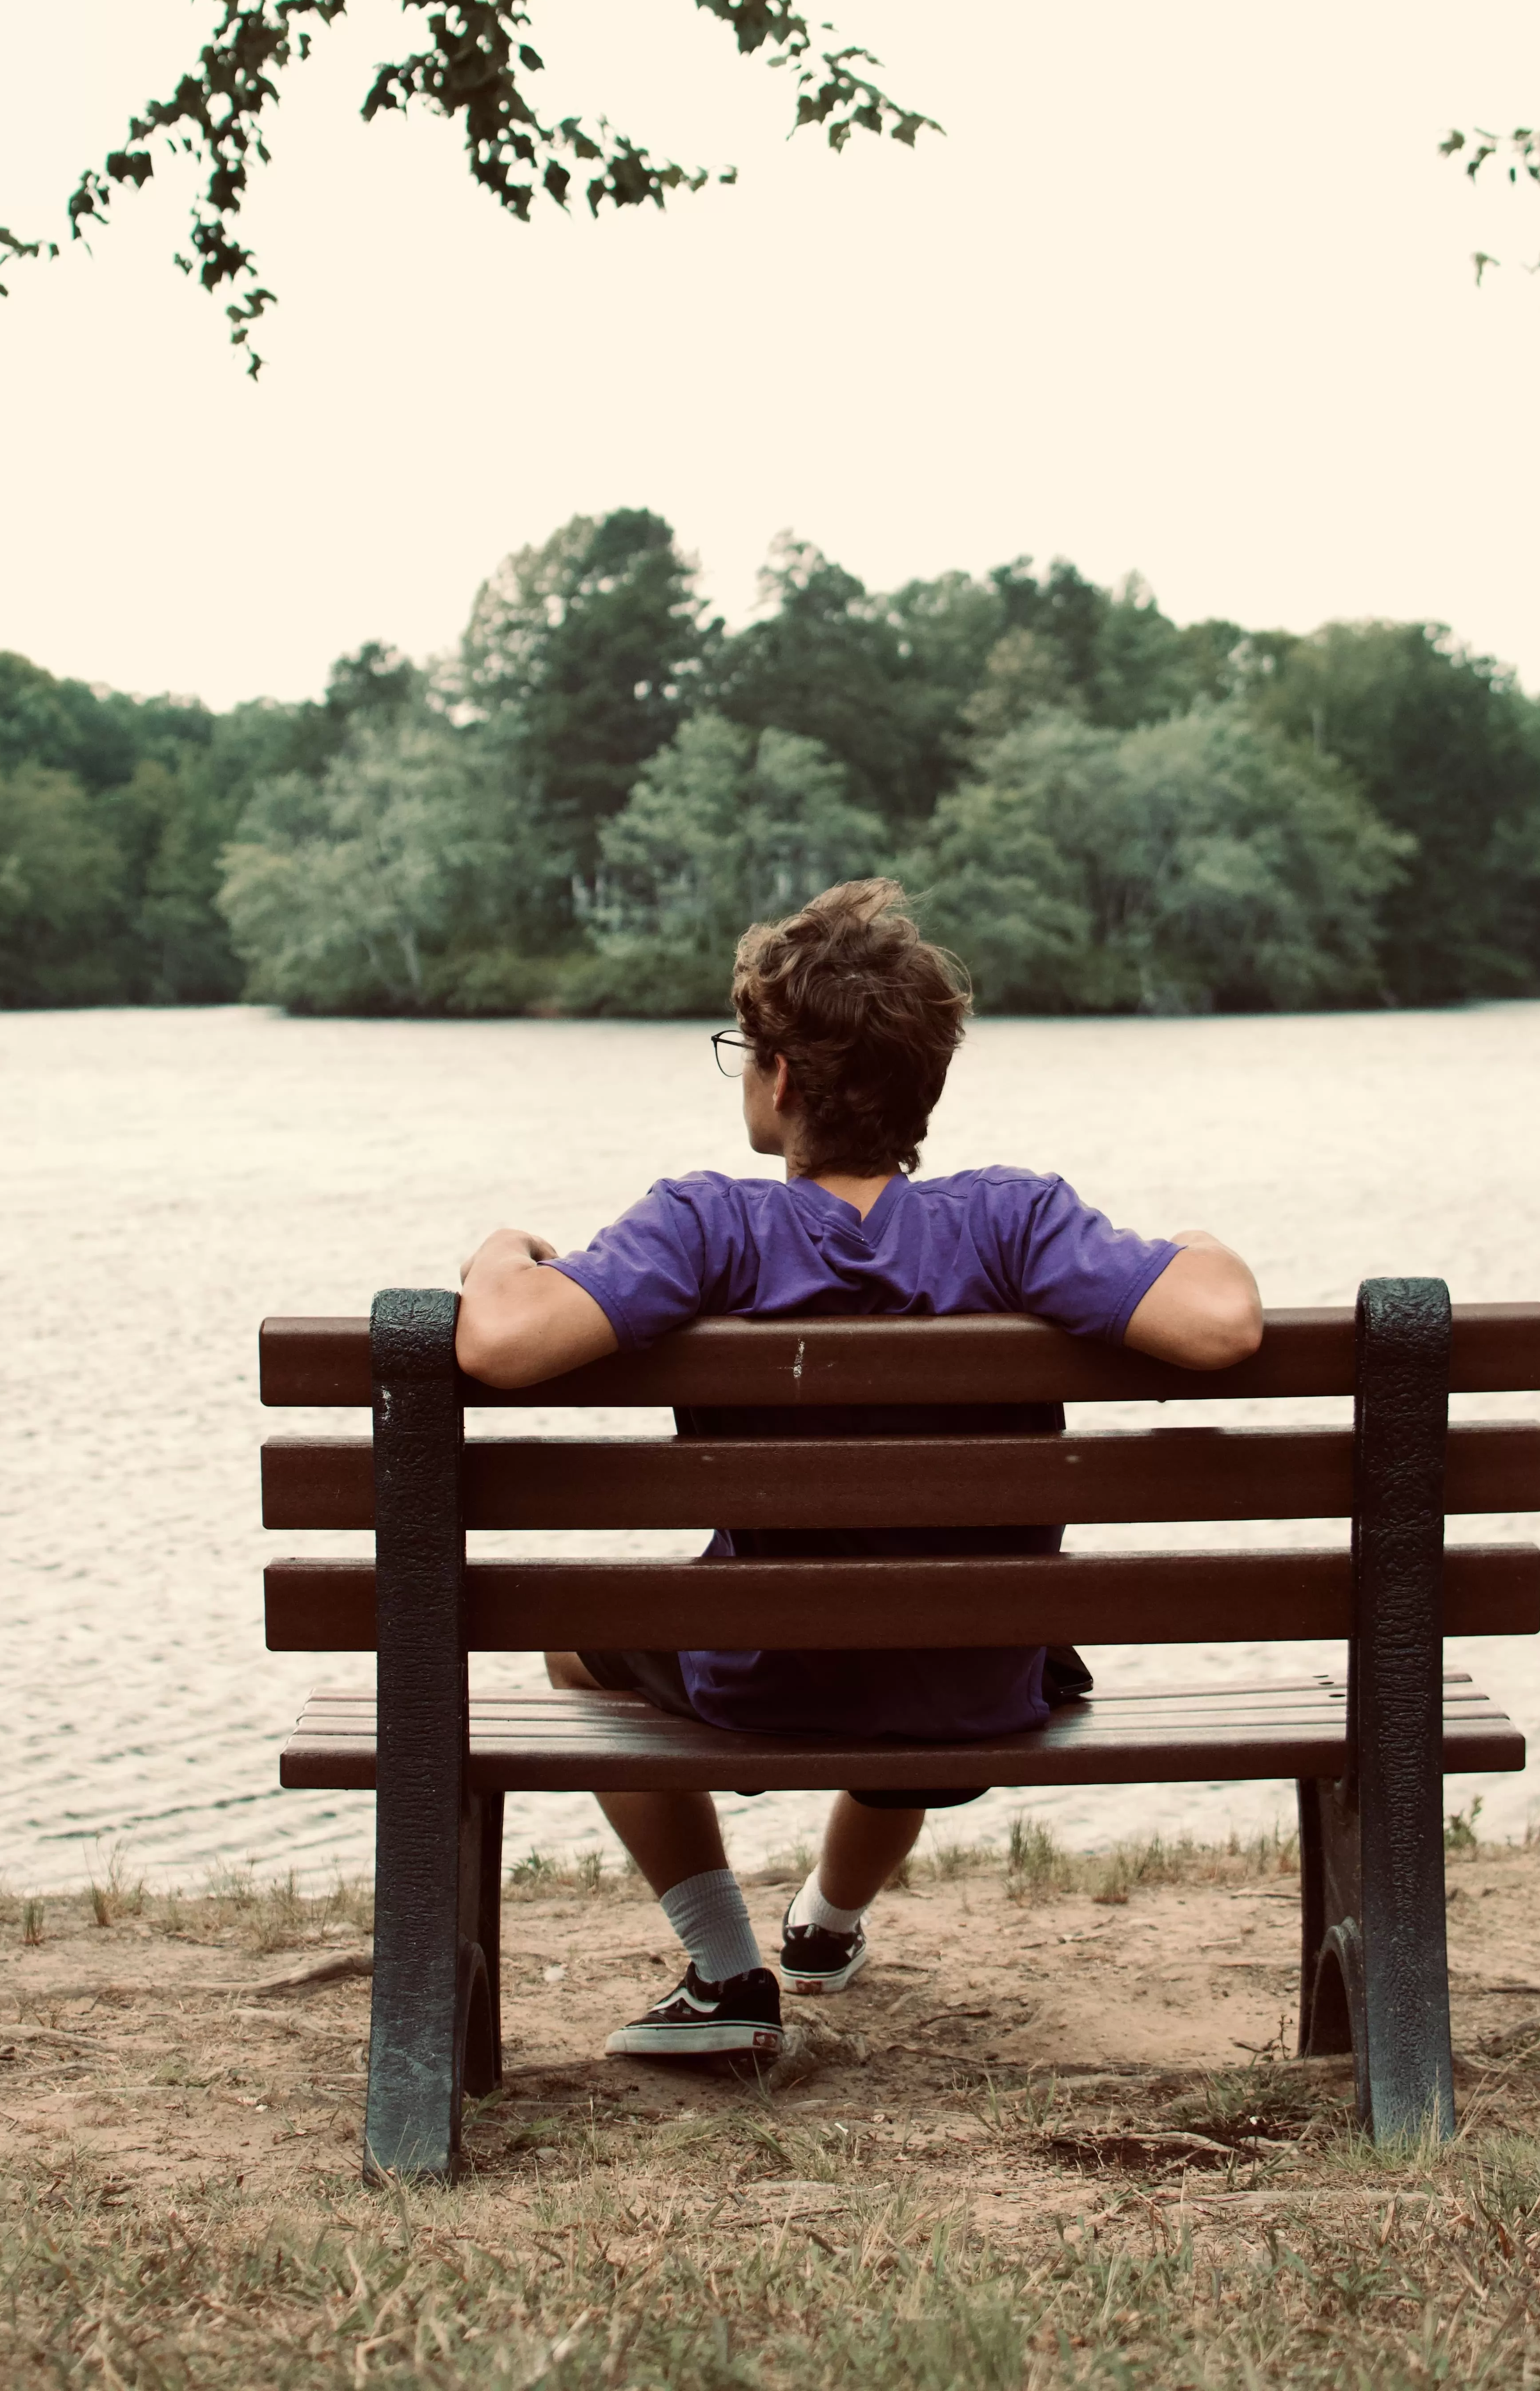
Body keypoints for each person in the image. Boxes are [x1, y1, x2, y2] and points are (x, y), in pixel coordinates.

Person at [456, 880, 1262, 2059]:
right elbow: (1226, 1321)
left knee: (577, 1647)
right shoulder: (1015, 1223)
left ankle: (730, 1977)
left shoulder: (706, 1227)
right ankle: (828, 1925)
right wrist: (1192, 1244)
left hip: (764, 1679)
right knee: (921, 1631)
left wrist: (500, 1248)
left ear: (781, 1078)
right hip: (980, 1687)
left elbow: (501, 1339)